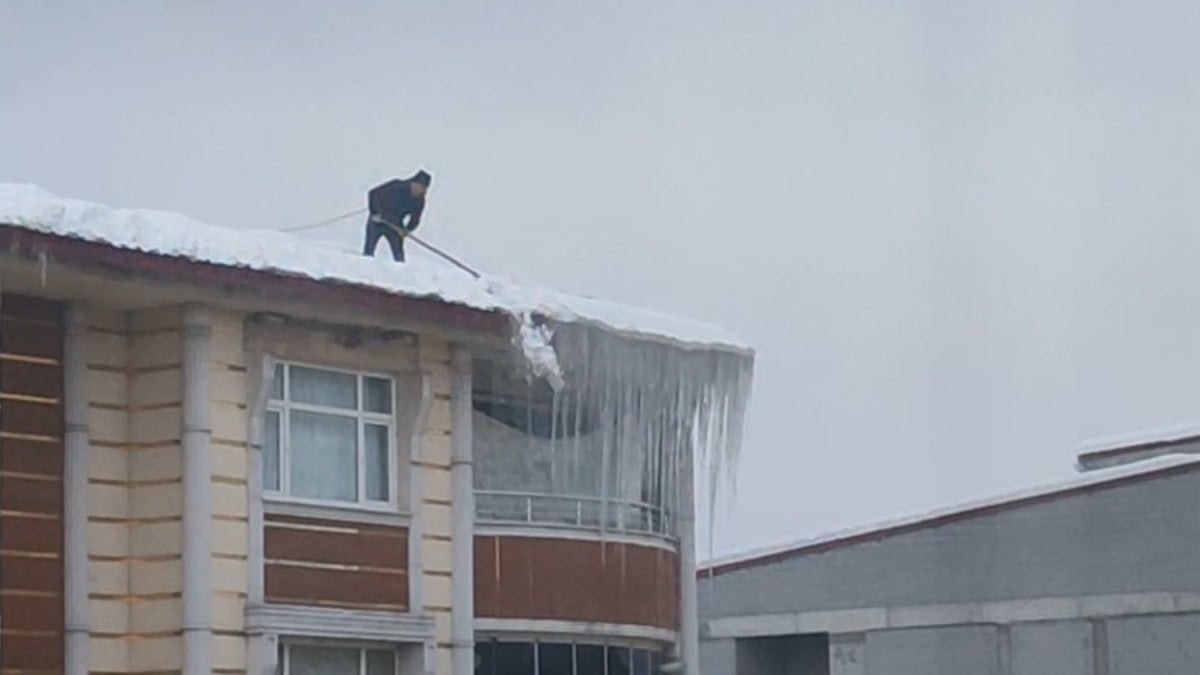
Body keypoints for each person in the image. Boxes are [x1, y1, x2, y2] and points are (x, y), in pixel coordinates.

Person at [362, 170, 431, 262]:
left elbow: (415, 219)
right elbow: (373, 193)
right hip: (378, 221)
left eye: (423, 189)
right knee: (368, 252)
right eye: (419, 187)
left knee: (399, 257)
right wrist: (375, 212)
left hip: (395, 227)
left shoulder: (419, 201)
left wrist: (407, 230)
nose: (420, 191)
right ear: (413, 183)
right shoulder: (396, 185)